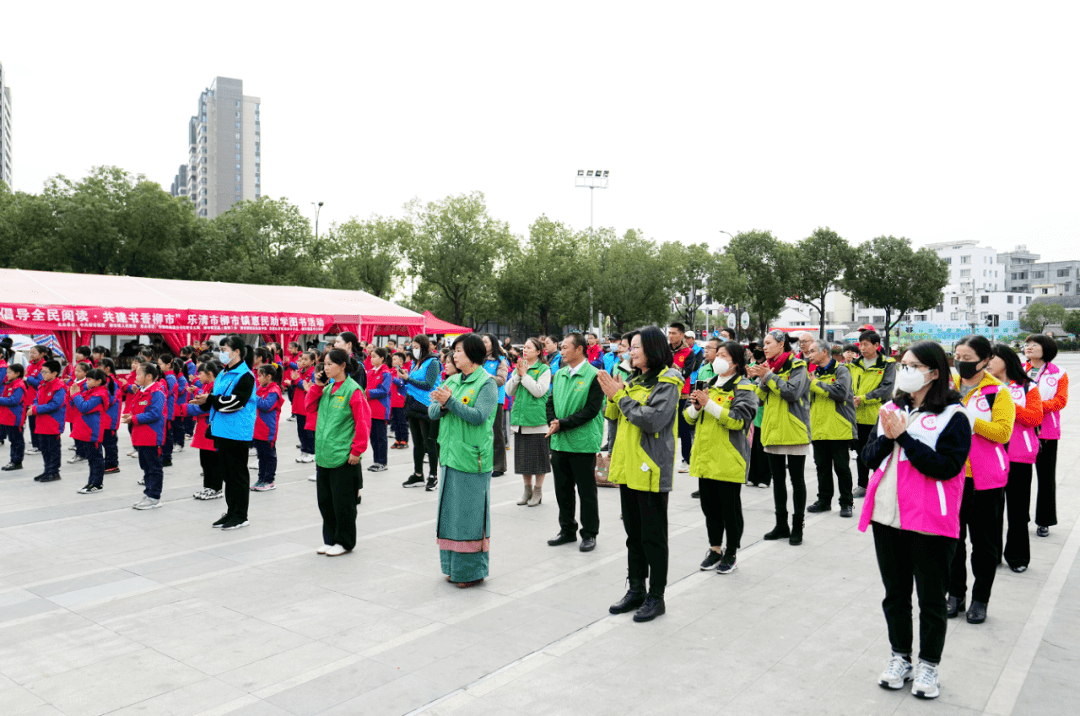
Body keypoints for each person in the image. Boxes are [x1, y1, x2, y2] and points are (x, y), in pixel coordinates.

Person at [860, 340, 971, 701]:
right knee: (895, 594)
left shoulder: (954, 416)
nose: (904, 370)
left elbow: (946, 468)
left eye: (913, 365)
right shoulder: (892, 408)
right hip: (887, 515)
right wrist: (890, 437)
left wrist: (904, 437)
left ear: (934, 372)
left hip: (929, 520)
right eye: (902, 364)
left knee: (931, 599)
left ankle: (929, 665)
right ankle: (900, 657)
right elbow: (869, 457)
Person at [600, 326, 682, 622]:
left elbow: (653, 420)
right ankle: (636, 588)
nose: (630, 351)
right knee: (633, 535)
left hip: (650, 468)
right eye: (629, 347)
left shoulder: (668, 382)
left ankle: (656, 596)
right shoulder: (632, 379)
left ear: (653, 349)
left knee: (653, 537)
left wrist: (620, 397)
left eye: (635, 347)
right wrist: (612, 396)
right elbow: (616, 417)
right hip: (628, 465)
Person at [947, 334, 1014, 625]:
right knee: (953, 540)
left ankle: (980, 599)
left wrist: (969, 419)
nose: (961, 364)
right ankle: (955, 594)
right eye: (957, 358)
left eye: (968, 359)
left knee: (984, 545)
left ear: (985, 360)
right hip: (951, 475)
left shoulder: (998, 392)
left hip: (985, 479)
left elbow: (1002, 433)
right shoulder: (949, 386)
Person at [429, 333, 498, 587]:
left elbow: (479, 415)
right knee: (450, 515)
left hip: (472, 458)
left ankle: (471, 572)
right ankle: (452, 567)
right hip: (449, 454)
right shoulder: (454, 380)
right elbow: (433, 411)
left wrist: (451, 402)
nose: (453, 355)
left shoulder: (487, 383)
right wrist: (445, 405)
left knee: (469, 516)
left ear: (472, 353)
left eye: (458, 350)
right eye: (454, 351)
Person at [686, 340, 758, 574]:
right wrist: (696, 408)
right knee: (710, 508)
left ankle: (732, 552)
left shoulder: (743, 387)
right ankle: (715, 549)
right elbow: (688, 419)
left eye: (724, 355)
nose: (717, 359)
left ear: (736, 361)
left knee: (730, 510)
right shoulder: (708, 384)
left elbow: (738, 420)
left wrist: (708, 405)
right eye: (717, 354)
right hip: (706, 456)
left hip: (728, 457)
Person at [748, 330, 811, 545]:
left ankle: (797, 527)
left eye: (768, 343)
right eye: (763, 344)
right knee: (778, 482)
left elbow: (792, 393)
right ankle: (781, 525)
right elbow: (762, 398)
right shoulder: (770, 368)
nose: (763, 347)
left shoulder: (798, 366)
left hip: (794, 431)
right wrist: (760, 379)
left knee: (797, 480)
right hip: (772, 430)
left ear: (781, 344)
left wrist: (768, 376)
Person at [307, 349, 371, 556]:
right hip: (325, 454)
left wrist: (357, 450)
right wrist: (317, 387)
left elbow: (363, 423)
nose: (325, 368)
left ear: (342, 365)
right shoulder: (327, 388)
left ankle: (344, 542)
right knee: (325, 502)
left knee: (343, 503)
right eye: (324, 365)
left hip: (344, 456)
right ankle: (330, 539)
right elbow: (309, 407)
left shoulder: (353, 391)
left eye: (329, 364)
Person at [545, 333, 605, 551]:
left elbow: (591, 410)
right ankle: (567, 529)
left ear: (580, 349)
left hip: (582, 443)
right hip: (560, 442)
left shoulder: (594, 375)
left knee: (586, 491)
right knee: (563, 490)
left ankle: (589, 533)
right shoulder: (559, 374)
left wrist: (563, 423)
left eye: (565, 347)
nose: (561, 351)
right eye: (560, 347)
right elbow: (550, 401)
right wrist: (552, 420)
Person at [192, 336, 257, 530]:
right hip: (221, 430)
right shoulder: (224, 373)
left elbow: (235, 402)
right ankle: (231, 511)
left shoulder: (245, 376)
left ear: (236, 351)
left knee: (238, 475)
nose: (221, 352)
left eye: (224, 349)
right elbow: (217, 398)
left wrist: (210, 399)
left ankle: (240, 515)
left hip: (237, 432)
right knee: (228, 475)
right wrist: (206, 401)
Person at [987, 343, 1042, 572]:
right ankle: (992, 555)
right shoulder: (984, 388)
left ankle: (1018, 557)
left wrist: (1007, 405)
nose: (987, 362)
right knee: (991, 511)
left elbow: (1035, 417)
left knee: (1018, 511)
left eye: (992, 358)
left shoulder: (1027, 387)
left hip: (1019, 457)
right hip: (991, 457)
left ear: (1006, 360)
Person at [805, 338, 857, 518]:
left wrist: (815, 384)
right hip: (819, 429)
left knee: (842, 468)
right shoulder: (813, 374)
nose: (808, 354)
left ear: (824, 352)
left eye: (812, 351)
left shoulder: (842, 370)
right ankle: (824, 501)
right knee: (822, 467)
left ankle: (846, 503)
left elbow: (840, 393)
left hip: (838, 428)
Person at [1022, 334, 1067, 538]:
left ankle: (1044, 520)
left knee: (1046, 477)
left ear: (1046, 349)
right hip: (1021, 432)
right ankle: (1020, 517)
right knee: (1021, 478)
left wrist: (1035, 407)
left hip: (1046, 432)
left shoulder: (1059, 374)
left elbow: (1060, 401)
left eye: (1034, 344)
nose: (1028, 347)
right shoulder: (1019, 371)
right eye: (1027, 344)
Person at [849, 330, 897, 497]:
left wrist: (864, 398)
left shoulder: (887, 364)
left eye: (866, 344)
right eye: (860, 344)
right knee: (861, 451)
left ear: (877, 345)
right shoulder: (854, 364)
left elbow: (886, 389)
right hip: (857, 416)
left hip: (878, 416)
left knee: (879, 451)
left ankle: (879, 484)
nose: (862, 348)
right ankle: (862, 485)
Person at [506, 338, 552, 507]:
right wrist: (518, 376)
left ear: (538, 351)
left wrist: (525, 376)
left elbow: (539, 391)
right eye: (523, 347)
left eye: (529, 347)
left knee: (539, 460)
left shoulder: (544, 369)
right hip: (520, 420)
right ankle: (527, 490)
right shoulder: (520, 366)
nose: (524, 350)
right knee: (523, 459)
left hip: (537, 420)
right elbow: (509, 391)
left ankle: (538, 491)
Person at [122, 362, 166, 509]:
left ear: (149, 376)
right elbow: (141, 409)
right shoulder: (142, 390)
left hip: (151, 436)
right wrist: (132, 415)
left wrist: (134, 418)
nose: (136, 376)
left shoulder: (157, 391)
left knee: (154, 468)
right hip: (141, 435)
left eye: (139, 374)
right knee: (146, 467)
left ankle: (154, 497)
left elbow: (155, 413)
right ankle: (148, 493)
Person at [401, 335, 442, 491]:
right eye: (413, 346)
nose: (414, 349)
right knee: (417, 443)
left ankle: (433, 476)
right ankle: (418, 474)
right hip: (412, 405)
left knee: (429, 442)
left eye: (416, 346)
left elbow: (428, 385)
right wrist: (406, 377)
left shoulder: (433, 362)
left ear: (424, 346)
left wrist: (408, 378)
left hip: (427, 406)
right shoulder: (415, 363)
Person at [180, 362, 222, 500]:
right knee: (205, 460)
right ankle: (208, 487)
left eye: (201, 373)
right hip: (203, 427)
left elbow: (209, 408)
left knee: (213, 461)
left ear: (209, 374)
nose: (198, 376)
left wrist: (186, 409)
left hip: (210, 427)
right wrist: (196, 393)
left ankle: (216, 488)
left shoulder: (216, 388)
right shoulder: (206, 386)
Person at [71, 368, 110, 494]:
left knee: (96, 458)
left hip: (93, 430)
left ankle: (97, 484)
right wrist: (73, 394)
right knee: (91, 458)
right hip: (86, 429)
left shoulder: (99, 394)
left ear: (98, 381)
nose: (86, 381)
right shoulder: (90, 391)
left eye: (89, 379)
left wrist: (75, 395)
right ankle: (91, 482)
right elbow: (77, 404)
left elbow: (84, 407)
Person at [667, 323, 698, 475]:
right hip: (664, 393)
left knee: (684, 428)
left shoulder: (688, 352)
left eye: (674, 333)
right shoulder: (664, 350)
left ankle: (687, 459)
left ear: (681, 335)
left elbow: (687, 373)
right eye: (669, 332)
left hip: (682, 394)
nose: (670, 336)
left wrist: (673, 367)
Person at [30, 359, 66, 482]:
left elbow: (56, 404)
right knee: (44, 448)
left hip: (53, 422)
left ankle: (54, 472)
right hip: (41, 421)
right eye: (42, 371)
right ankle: (47, 470)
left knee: (53, 449)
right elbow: (36, 399)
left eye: (45, 372)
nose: (42, 374)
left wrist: (36, 409)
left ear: (54, 373)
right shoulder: (42, 384)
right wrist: (34, 406)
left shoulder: (60, 387)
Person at [481, 334, 509, 477]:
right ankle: (484, 462)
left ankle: (499, 466)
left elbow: (501, 380)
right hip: (479, 398)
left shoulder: (501, 361)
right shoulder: (478, 359)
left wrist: (485, 375)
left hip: (495, 399)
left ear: (493, 344)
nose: (482, 343)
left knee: (496, 432)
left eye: (485, 341)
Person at [252, 363, 283, 491]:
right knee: (261, 456)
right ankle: (261, 479)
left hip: (268, 430)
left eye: (260, 376)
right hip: (258, 429)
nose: (258, 378)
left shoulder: (274, 391)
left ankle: (269, 480)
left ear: (269, 377)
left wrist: (253, 396)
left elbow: (266, 406)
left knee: (269, 456)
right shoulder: (260, 389)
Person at [366, 347, 393, 472]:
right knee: (373, 437)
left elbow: (384, 390)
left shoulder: (386, 373)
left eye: (374, 356)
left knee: (380, 437)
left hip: (380, 409)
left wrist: (367, 393)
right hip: (370, 409)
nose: (372, 359)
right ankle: (376, 461)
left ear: (382, 358)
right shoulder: (370, 372)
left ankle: (382, 462)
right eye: (371, 356)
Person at [291, 351, 317, 464]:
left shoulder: (313, 373)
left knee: (308, 432)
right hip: (299, 405)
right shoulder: (300, 371)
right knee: (300, 430)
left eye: (305, 359)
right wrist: (292, 381)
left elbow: (310, 388)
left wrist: (297, 380)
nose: (302, 362)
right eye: (301, 359)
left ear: (312, 361)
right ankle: (304, 451)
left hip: (307, 406)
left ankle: (312, 452)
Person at [24, 345, 50, 455]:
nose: (31, 355)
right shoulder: (31, 365)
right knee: (32, 423)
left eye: (34, 353)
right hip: (28, 397)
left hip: (37, 398)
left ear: (42, 353)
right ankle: (36, 444)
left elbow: (41, 382)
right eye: (30, 352)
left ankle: (38, 446)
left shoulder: (43, 366)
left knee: (36, 423)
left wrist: (27, 378)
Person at [0, 363, 27, 471]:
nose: (7, 374)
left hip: (15, 417)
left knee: (17, 440)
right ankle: (13, 460)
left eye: (9, 372)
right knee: (12, 440)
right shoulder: (10, 383)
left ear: (17, 374)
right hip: (7, 416)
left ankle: (17, 461)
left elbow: (14, 400)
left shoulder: (19, 385)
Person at [98, 359, 121, 475]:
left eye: (100, 366)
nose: (97, 368)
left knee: (110, 443)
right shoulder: (104, 381)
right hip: (103, 418)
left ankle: (113, 464)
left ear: (107, 368)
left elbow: (110, 400)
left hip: (109, 418)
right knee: (104, 442)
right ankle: (107, 463)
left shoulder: (111, 382)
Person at [389, 352, 410, 450]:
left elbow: (402, 383)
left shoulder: (403, 372)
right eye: (392, 359)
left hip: (400, 401)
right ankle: (397, 439)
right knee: (395, 421)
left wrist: (393, 378)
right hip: (392, 401)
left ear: (401, 361)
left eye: (395, 359)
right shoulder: (391, 371)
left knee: (402, 422)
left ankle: (404, 440)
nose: (393, 361)